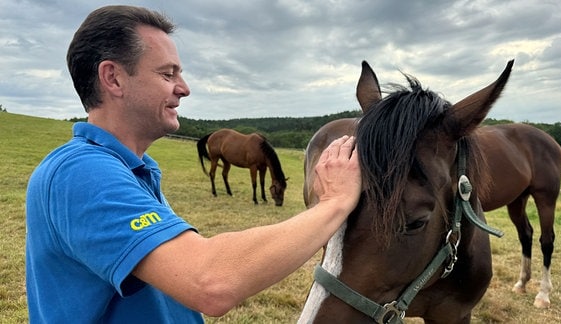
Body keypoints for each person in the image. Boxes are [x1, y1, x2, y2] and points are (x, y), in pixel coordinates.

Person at [25, 5, 361, 323]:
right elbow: (211, 282)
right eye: (167, 74)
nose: (183, 89)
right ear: (113, 78)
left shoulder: (135, 170)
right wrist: (333, 203)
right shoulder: (80, 172)